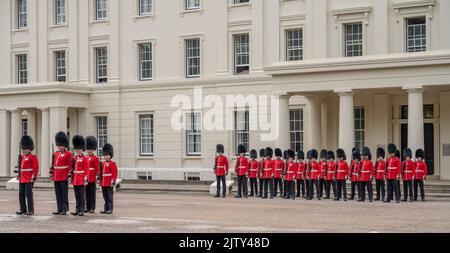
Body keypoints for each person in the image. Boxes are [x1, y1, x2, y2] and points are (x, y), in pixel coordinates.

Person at [16, 135, 39, 216]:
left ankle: (31, 210)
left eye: (25, 148)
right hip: (22, 178)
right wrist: (19, 174)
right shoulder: (22, 156)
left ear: (29, 148)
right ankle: (23, 209)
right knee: (21, 194)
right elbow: (21, 168)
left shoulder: (33, 157)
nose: (24, 150)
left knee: (29, 195)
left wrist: (34, 177)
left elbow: (35, 168)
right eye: (24, 148)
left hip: (29, 178)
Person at [51, 131, 72, 215]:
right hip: (56, 176)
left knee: (64, 194)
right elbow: (53, 165)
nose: (60, 147)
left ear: (65, 145)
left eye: (61, 145)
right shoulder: (56, 153)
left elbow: (70, 165)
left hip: (63, 176)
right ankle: (59, 208)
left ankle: (64, 208)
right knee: (58, 194)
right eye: (59, 145)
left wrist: (69, 175)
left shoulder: (68, 154)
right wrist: (51, 173)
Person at [71, 135, 89, 216]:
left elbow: (87, 169)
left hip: (81, 179)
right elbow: (73, 169)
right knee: (77, 195)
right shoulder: (74, 158)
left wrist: (85, 179)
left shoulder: (85, 159)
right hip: (75, 179)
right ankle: (77, 209)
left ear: (83, 150)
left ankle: (82, 209)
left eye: (79, 149)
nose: (78, 150)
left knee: (82, 196)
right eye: (77, 149)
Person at [100, 143, 118, 214]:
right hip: (104, 182)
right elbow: (101, 173)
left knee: (110, 197)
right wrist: (100, 180)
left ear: (110, 155)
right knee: (105, 197)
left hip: (109, 182)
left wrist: (113, 181)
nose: (106, 156)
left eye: (107, 155)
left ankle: (110, 209)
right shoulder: (103, 163)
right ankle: (106, 208)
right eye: (105, 155)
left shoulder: (113, 163)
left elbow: (114, 173)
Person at [85, 136, 100, 213]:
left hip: (92, 177)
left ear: (93, 149)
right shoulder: (85, 157)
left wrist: (97, 177)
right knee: (86, 193)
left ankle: (92, 208)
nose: (89, 150)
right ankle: (87, 207)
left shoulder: (95, 158)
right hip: (87, 178)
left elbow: (97, 168)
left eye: (90, 149)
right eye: (88, 149)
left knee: (92, 193)